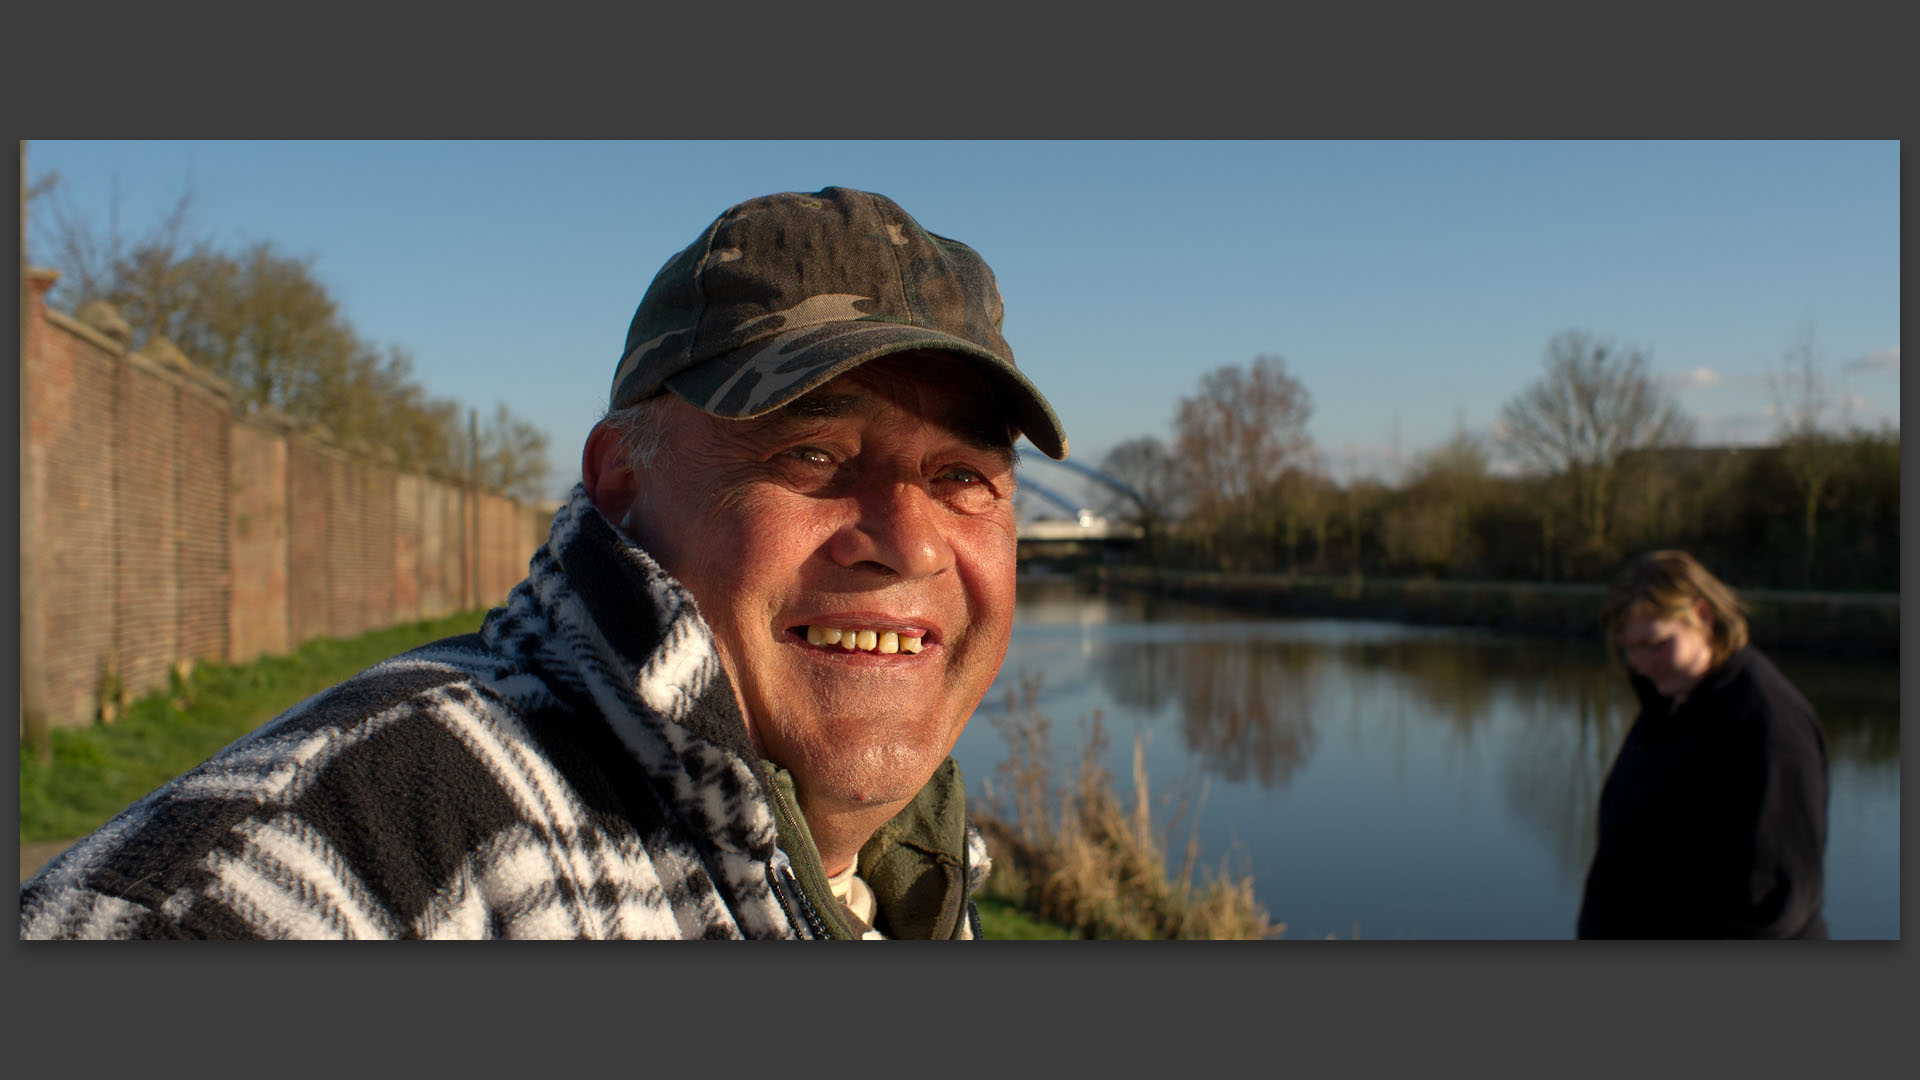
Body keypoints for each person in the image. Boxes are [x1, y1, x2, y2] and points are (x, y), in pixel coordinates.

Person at [20, 186, 1069, 940]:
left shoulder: (906, 874)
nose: (914, 539)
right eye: (811, 453)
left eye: (963, 477)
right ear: (619, 480)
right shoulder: (315, 877)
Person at [1576, 550, 1828, 939]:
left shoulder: (1768, 724)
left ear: (1704, 617)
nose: (1641, 664)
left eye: (1656, 644)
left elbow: (1767, 911)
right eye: (1629, 649)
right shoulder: (1670, 704)